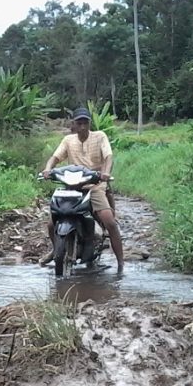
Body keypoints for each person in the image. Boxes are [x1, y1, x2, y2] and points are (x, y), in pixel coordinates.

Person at [40, 107, 123, 272]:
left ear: (89, 123)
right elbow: (55, 157)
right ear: (74, 124)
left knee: (109, 221)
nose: (83, 126)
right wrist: (48, 169)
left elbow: (108, 156)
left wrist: (105, 173)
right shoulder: (68, 140)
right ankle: (57, 250)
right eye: (79, 123)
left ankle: (121, 262)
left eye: (86, 122)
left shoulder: (100, 137)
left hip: (94, 185)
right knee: (51, 224)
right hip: (71, 187)